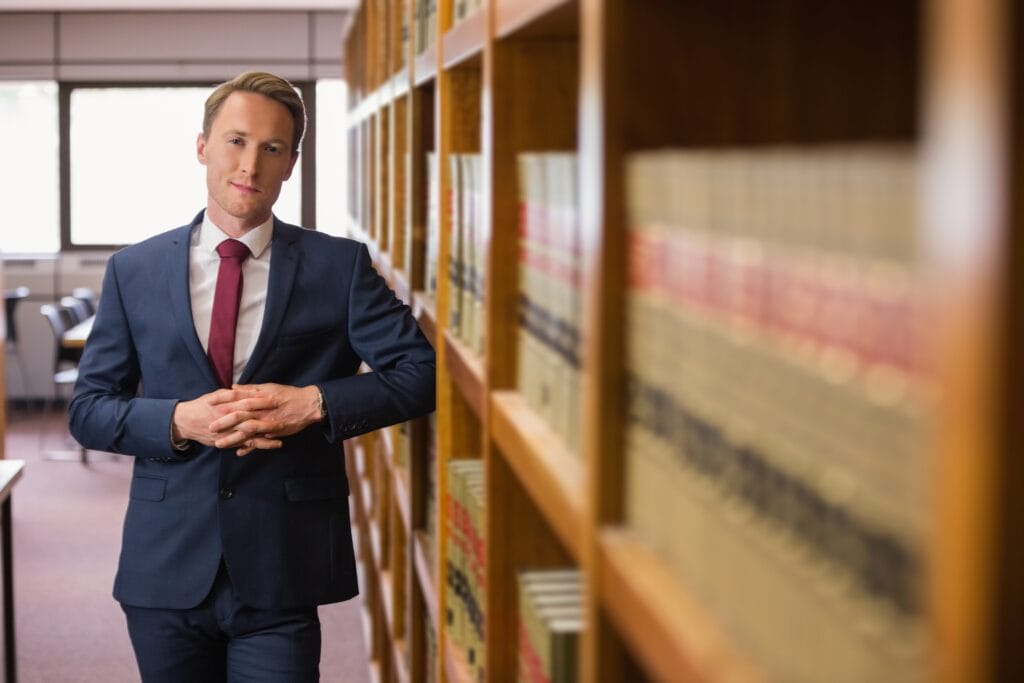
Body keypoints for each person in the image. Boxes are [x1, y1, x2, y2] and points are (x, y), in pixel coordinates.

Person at [69, 71, 435, 681]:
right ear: (202, 147)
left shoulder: (337, 266)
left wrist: (313, 403)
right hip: (165, 564)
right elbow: (88, 409)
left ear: (291, 162)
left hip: (283, 564)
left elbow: (421, 373)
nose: (251, 165)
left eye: (272, 148)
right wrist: (178, 420)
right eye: (236, 141)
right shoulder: (133, 270)